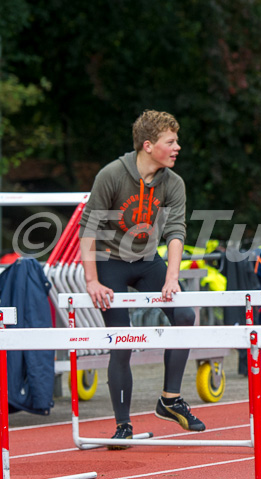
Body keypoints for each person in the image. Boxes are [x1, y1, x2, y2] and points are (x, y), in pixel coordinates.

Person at [78, 110, 205, 449]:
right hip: (110, 262)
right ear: (149, 146)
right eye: (171, 142)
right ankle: (123, 426)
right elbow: (87, 229)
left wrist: (172, 279)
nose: (177, 147)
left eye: (176, 141)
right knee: (122, 341)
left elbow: (176, 231)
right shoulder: (112, 175)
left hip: (148, 260)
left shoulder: (173, 183)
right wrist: (92, 281)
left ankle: (170, 400)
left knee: (184, 316)